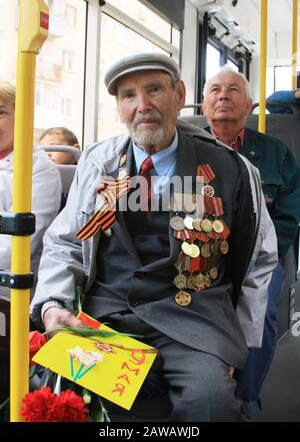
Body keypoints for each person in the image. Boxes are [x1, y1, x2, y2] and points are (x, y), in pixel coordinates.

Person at [30, 53, 277, 422]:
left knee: (210, 404)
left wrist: (235, 345)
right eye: (129, 96)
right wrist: (52, 305)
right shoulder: (99, 163)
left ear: (179, 95)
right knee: (64, 400)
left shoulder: (232, 170)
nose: (142, 106)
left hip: (196, 322)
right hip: (107, 317)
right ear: (119, 108)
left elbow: (256, 262)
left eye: (154, 90)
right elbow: (65, 243)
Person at [202, 66, 300, 417]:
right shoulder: (186, 149)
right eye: (214, 90)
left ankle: (245, 398)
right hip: (198, 251)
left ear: (249, 107)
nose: (223, 96)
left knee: (263, 314)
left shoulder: (276, 155)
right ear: (203, 105)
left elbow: (289, 213)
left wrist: (262, 251)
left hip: (261, 255)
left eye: (232, 90)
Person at [0, 81, 62, 278]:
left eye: (1, 112)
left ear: (21, 117)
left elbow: (15, 247)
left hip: (11, 285)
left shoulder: (39, 170)